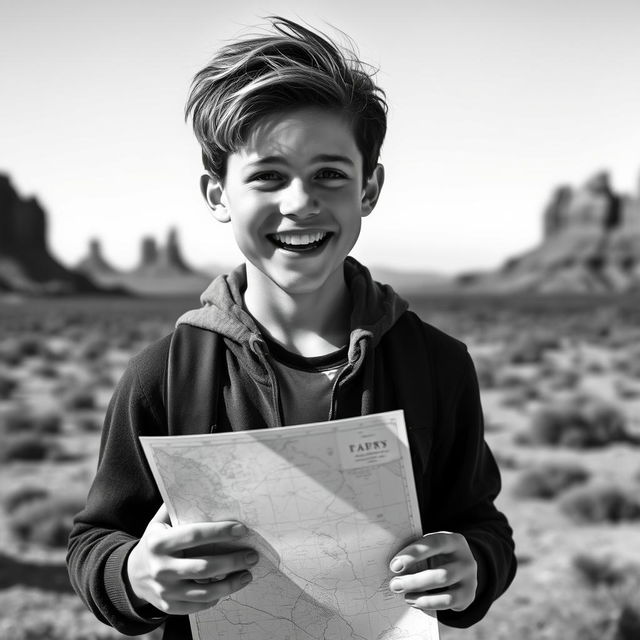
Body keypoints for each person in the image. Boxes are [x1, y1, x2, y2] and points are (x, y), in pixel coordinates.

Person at [67, 16, 516, 639]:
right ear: (217, 195)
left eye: (330, 174)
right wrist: (136, 576)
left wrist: (475, 568)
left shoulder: (437, 364)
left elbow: (481, 526)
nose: (299, 201)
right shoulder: (164, 375)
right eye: (267, 176)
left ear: (370, 189)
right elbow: (95, 541)